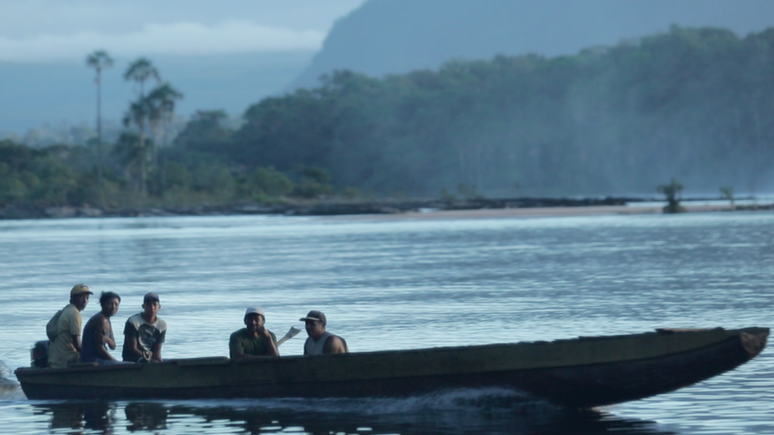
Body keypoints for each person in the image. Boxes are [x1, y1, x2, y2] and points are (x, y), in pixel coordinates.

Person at [49, 284, 93, 368]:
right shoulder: (75, 314)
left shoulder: (66, 310)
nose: (85, 301)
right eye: (81, 297)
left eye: (87, 298)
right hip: (67, 360)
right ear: (73, 298)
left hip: (56, 360)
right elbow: (77, 343)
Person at [81, 291, 124, 365]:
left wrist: (107, 339)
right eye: (110, 304)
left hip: (98, 358)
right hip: (92, 360)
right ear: (102, 304)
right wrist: (115, 361)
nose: (113, 307)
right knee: (128, 365)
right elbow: (100, 349)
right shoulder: (101, 320)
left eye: (116, 304)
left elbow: (113, 346)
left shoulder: (107, 319)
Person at [122, 292, 167, 363]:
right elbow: (132, 348)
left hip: (149, 357)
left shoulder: (161, 325)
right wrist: (147, 357)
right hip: (132, 358)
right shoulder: (133, 321)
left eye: (155, 305)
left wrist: (160, 363)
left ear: (159, 307)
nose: (152, 308)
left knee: (164, 363)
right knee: (147, 361)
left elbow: (157, 351)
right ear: (143, 306)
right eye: (149, 304)